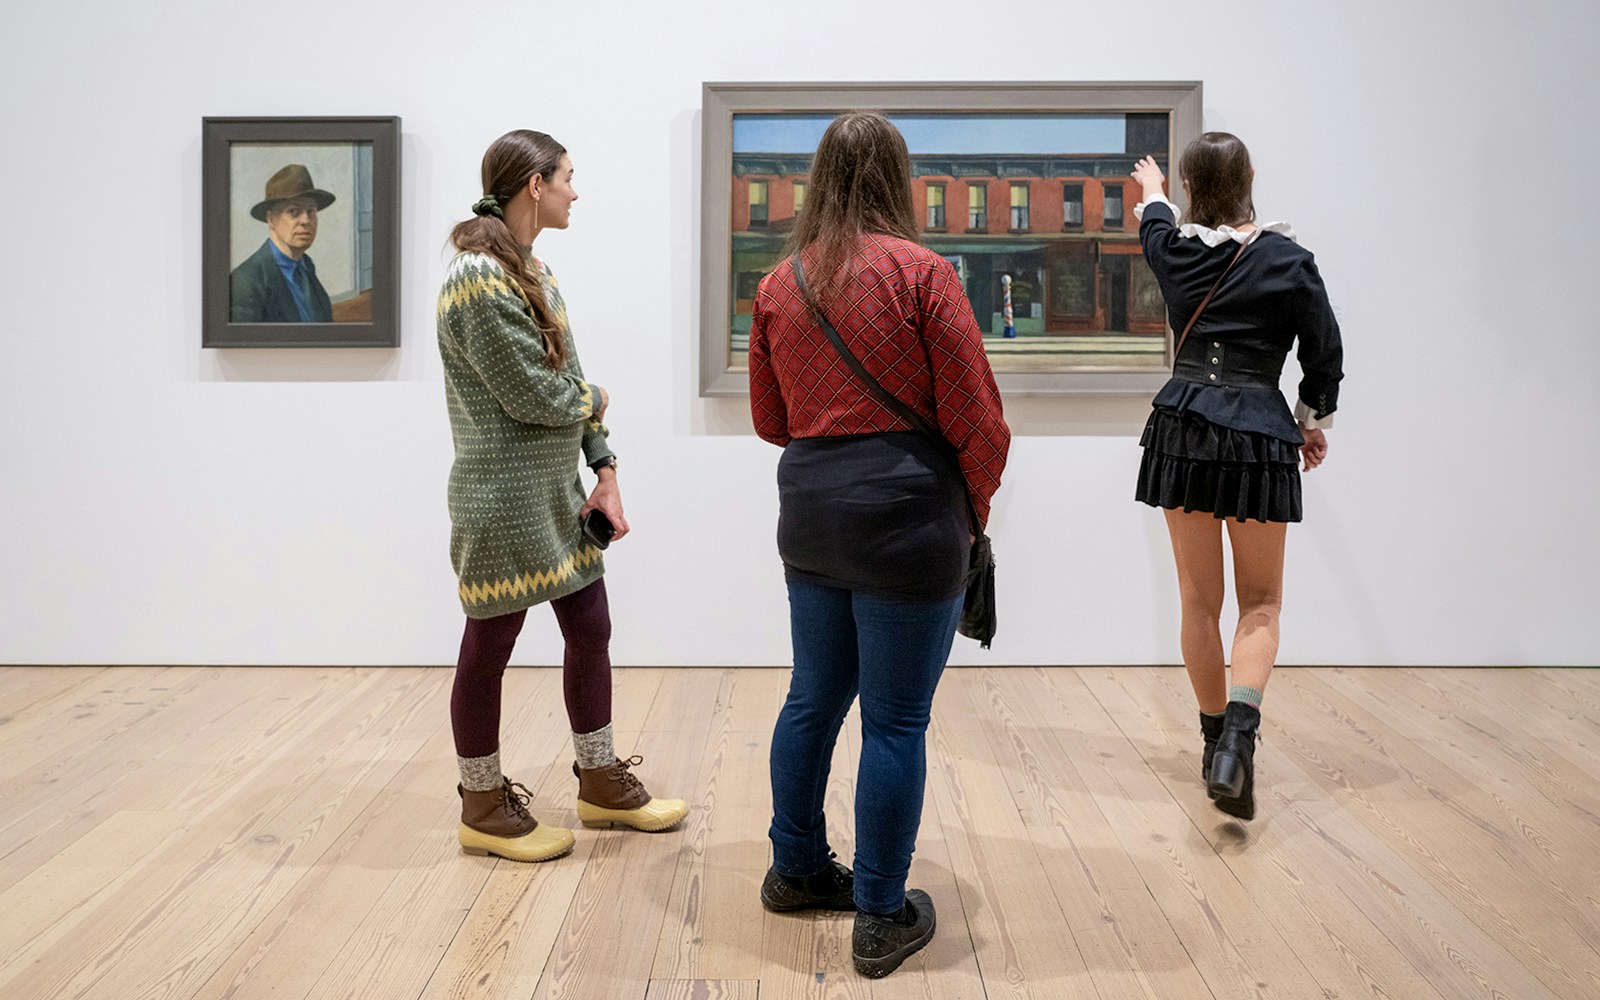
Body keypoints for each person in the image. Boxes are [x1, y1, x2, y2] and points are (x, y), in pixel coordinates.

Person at [747, 112, 1010, 978]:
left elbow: (769, 420)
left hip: (812, 516)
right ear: (899, 179)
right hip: (908, 521)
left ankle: (795, 870)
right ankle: (881, 911)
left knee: (812, 700)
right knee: (896, 722)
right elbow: (977, 417)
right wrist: (969, 512)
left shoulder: (780, 283)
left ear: (820, 177)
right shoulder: (924, 274)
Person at [436, 129, 686, 863]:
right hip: (500, 504)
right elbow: (535, 393)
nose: (577, 192)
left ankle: (600, 780)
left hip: (557, 495)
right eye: (569, 178)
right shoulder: (475, 280)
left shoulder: (537, 272)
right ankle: (481, 804)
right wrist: (599, 396)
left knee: (591, 625)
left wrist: (604, 470)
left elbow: (569, 387)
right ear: (534, 185)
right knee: (490, 645)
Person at [1129, 132, 1344, 821]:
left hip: (1183, 427)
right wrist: (1310, 421)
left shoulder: (1175, 253)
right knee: (1261, 604)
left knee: (1198, 604)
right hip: (1258, 433)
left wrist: (1155, 187)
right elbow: (1325, 356)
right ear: (1252, 174)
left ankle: (1213, 740)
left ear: (1193, 188)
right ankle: (1238, 748)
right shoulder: (1290, 261)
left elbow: (1155, 219)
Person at [230, 164, 336, 322]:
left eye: (311, 211)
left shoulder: (306, 267)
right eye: (293, 211)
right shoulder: (245, 281)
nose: (306, 221)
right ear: (271, 219)